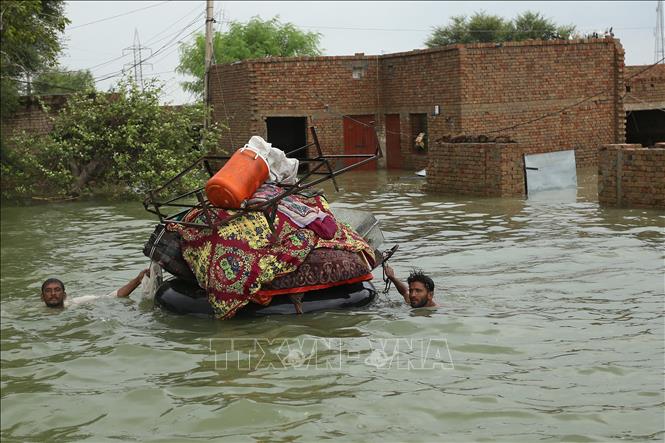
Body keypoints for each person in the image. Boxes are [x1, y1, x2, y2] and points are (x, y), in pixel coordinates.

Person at [41, 269, 148, 308]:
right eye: (48, 291)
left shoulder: (76, 303)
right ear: (42, 297)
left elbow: (114, 296)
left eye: (57, 290)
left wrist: (138, 279)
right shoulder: (35, 314)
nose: (53, 293)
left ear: (64, 295)